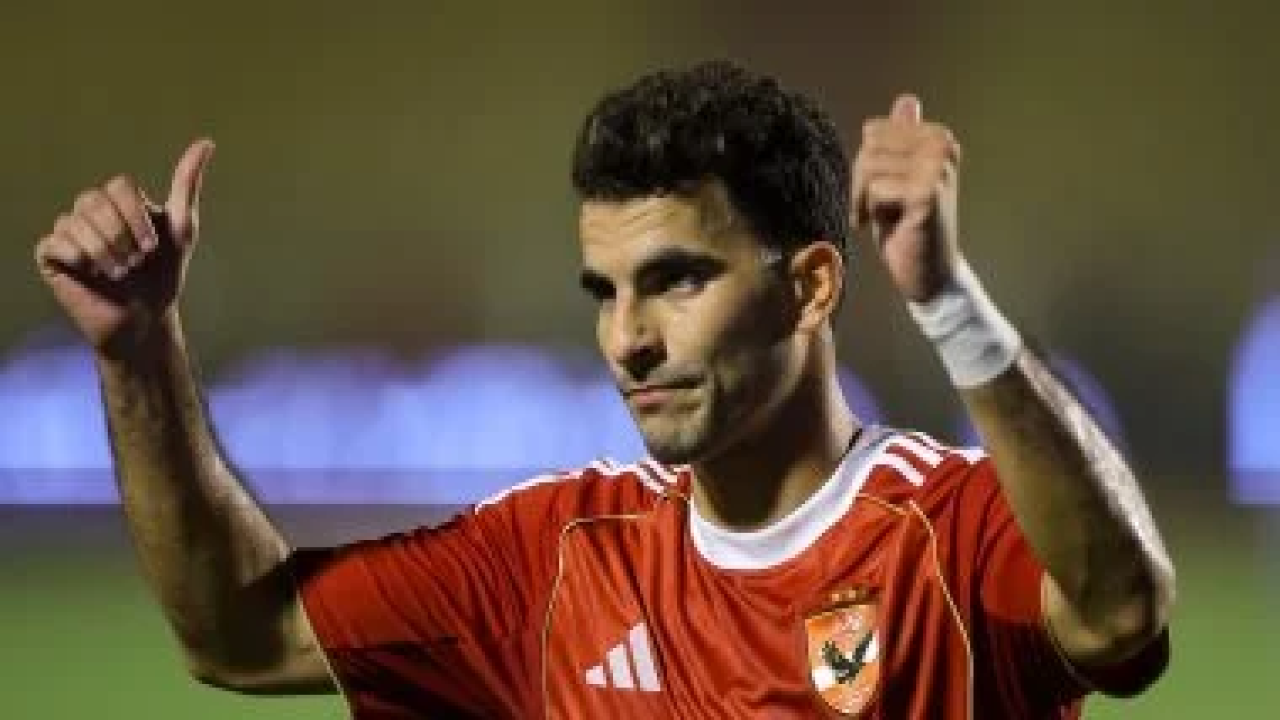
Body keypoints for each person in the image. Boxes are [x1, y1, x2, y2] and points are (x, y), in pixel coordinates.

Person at [33, 61, 1174, 718]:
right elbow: (239, 636)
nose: (627, 339)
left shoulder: (947, 534)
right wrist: (137, 351)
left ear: (812, 286)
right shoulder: (553, 563)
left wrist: (948, 302)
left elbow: (1122, 609)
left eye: (676, 280)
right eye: (605, 291)